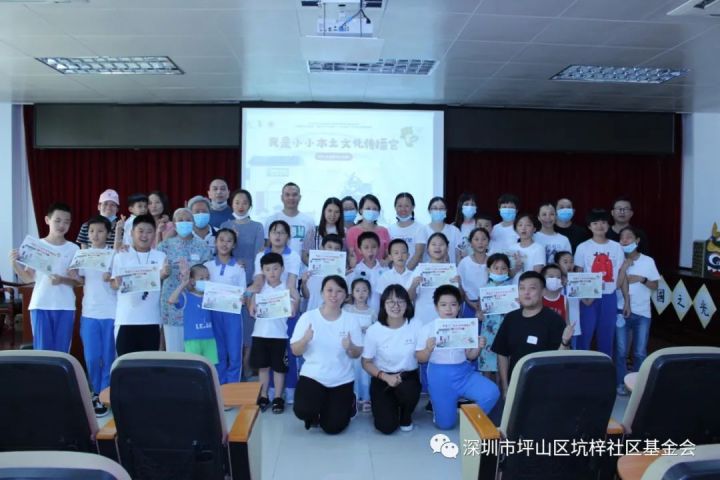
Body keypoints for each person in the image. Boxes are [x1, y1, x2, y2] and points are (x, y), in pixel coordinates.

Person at [416, 285, 500, 429]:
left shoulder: (465, 327)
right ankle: (440, 410)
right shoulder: (427, 329)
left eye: (453, 304)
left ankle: (471, 419)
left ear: (459, 307)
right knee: (445, 425)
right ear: (436, 307)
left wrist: (478, 346)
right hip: (440, 377)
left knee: (491, 393)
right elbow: (420, 358)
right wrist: (428, 349)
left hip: (464, 374)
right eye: (443, 305)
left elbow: (471, 356)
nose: (449, 309)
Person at [291, 275, 363, 434]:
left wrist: (350, 346)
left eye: (339, 291)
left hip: (341, 379)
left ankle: (349, 402)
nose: (334, 295)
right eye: (329, 290)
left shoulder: (351, 320)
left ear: (345, 296)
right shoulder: (308, 317)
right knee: (303, 410)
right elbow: (295, 350)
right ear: (322, 293)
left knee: (333, 427)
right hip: (313, 376)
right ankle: (318, 409)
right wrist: (305, 340)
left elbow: (357, 353)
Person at [491, 271, 575, 400]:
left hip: (546, 389)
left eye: (532, 288)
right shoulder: (511, 318)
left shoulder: (554, 320)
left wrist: (565, 341)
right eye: (522, 288)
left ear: (543, 292)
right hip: (516, 386)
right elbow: (502, 354)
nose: (526, 292)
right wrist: (506, 387)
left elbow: (561, 359)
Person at [10, 202, 80, 352]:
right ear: (47, 220)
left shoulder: (74, 248)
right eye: (57, 220)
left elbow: (77, 282)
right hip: (41, 305)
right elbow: (28, 279)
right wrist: (15, 264)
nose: (62, 225)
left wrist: (62, 280)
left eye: (66, 222)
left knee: (62, 352)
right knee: (42, 352)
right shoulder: (36, 245)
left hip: (65, 305)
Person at [362, 284, 421, 434]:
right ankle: (389, 406)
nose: (396, 306)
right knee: (386, 427)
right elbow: (366, 362)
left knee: (408, 390)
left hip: (407, 377)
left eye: (400, 301)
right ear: (383, 304)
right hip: (382, 377)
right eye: (391, 302)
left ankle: (406, 415)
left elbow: (422, 355)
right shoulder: (374, 330)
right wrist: (385, 377)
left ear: (407, 304)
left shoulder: (416, 325)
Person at [73, 215, 116, 417]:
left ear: (107, 233)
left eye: (100, 231)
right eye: (91, 231)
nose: (95, 235)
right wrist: (72, 275)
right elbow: (79, 280)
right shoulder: (82, 255)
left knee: (108, 356)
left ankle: (104, 394)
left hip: (112, 313)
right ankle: (96, 390)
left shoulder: (115, 254)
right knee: (91, 357)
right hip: (89, 313)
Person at [220, 188, 265, 379]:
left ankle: (246, 367)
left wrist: (255, 282)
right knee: (230, 330)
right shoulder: (225, 225)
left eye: (244, 202)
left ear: (250, 205)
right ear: (232, 204)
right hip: (228, 285)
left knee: (248, 329)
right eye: (237, 202)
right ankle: (231, 369)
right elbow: (221, 251)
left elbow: (259, 255)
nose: (240, 206)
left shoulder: (257, 227)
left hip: (250, 283)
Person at [111, 214, 170, 356]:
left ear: (154, 234)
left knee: (149, 364)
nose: (145, 235)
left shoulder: (160, 256)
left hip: (152, 319)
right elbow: (113, 284)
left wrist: (164, 274)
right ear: (132, 233)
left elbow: (163, 281)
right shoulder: (121, 255)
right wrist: (117, 283)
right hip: (126, 320)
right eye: (140, 231)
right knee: (125, 364)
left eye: (149, 232)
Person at [157, 208, 212, 352]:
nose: (184, 222)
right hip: (171, 306)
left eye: (188, 220)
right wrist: (164, 273)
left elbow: (207, 277)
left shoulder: (202, 246)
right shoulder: (164, 246)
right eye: (180, 220)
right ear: (174, 224)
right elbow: (156, 274)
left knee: (195, 353)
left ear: (193, 223)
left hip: (195, 306)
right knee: (174, 352)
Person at [249, 252, 298, 414]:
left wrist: (293, 304)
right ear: (262, 270)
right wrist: (251, 301)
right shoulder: (259, 290)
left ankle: (278, 397)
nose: (272, 272)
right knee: (263, 367)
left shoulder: (287, 289)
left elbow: (292, 312)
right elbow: (252, 311)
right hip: (260, 334)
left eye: (275, 268)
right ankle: (263, 396)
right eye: (268, 269)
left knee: (279, 368)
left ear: (282, 269)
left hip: (279, 336)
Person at [573, 209, 625, 357]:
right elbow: (578, 273)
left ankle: (605, 365)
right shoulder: (583, 247)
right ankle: (581, 365)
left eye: (603, 222)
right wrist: (583, 298)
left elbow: (621, 272)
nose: (600, 226)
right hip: (588, 297)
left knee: (607, 335)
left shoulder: (616, 247)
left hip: (609, 296)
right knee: (585, 334)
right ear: (589, 226)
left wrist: (619, 291)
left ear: (608, 225)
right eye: (595, 223)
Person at [615, 226, 659, 396]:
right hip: (621, 310)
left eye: (629, 237)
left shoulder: (648, 261)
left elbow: (655, 285)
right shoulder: (617, 259)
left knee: (640, 352)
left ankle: (636, 384)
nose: (625, 240)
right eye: (622, 238)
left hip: (643, 313)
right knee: (621, 351)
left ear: (637, 240)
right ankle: (621, 382)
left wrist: (642, 279)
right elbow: (615, 286)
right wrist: (624, 268)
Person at [205, 228, 246, 384]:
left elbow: (242, 292)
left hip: (232, 314)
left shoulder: (239, 267)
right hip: (212, 314)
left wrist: (242, 298)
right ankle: (220, 386)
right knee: (218, 353)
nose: (224, 244)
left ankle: (233, 387)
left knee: (234, 353)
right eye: (221, 239)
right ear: (215, 242)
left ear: (234, 245)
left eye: (229, 241)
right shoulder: (207, 266)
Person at [168, 263, 218, 364]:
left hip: (210, 339)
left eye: (207, 278)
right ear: (192, 281)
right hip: (192, 340)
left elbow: (228, 303)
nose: (206, 281)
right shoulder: (186, 297)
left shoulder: (211, 297)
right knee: (194, 366)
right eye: (201, 278)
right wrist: (183, 284)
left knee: (211, 367)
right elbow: (171, 300)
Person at [477, 253, 513, 380]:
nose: (499, 271)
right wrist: (479, 314)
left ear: (508, 270)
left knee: (503, 367)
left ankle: (503, 389)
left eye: (503, 268)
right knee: (487, 365)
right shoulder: (484, 289)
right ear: (488, 270)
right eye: (496, 268)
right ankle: (488, 390)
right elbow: (479, 312)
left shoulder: (512, 289)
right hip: (488, 333)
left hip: (505, 331)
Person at [344, 277, 376, 413]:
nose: (361, 293)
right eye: (357, 290)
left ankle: (366, 398)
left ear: (369, 293)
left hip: (366, 347)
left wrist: (368, 330)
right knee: (352, 371)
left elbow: (377, 329)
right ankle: (353, 398)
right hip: (352, 346)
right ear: (352, 292)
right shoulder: (347, 309)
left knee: (365, 373)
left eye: (364, 290)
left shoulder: (372, 311)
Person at [264, 182, 315, 260]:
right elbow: (268, 246)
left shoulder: (309, 221)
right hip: (277, 266)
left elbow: (310, 249)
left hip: (302, 266)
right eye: (287, 195)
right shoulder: (272, 220)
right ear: (282, 197)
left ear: (300, 197)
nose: (291, 198)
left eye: (294, 195)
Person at [346, 231, 386, 313]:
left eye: (374, 247)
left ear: (378, 248)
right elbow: (350, 297)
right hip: (359, 316)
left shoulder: (385, 270)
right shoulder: (354, 271)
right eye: (366, 247)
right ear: (360, 250)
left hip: (381, 315)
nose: (370, 251)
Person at [301, 234, 344, 311]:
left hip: (333, 314)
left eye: (337, 249)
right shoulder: (311, 271)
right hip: (313, 312)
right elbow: (306, 296)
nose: (333, 251)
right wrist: (304, 283)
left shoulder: (342, 274)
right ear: (322, 248)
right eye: (329, 247)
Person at [346, 194, 391, 262]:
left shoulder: (384, 231)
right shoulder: (351, 232)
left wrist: (385, 262)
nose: (371, 211)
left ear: (379, 212)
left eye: (375, 209)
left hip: (379, 268)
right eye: (368, 208)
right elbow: (350, 255)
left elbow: (389, 254)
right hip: (358, 268)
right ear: (361, 210)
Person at [458, 227, 490, 319]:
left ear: (488, 242)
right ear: (471, 243)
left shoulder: (493, 261)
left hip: (489, 306)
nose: (480, 242)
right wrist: (469, 302)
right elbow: (460, 285)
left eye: (483, 239)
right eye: (476, 239)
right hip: (468, 304)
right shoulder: (464, 262)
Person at [388, 192, 426, 270]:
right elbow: (389, 254)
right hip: (395, 273)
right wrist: (397, 272)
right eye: (400, 206)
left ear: (413, 207)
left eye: (407, 206)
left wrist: (405, 272)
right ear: (395, 207)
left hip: (414, 273)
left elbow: (418, 254)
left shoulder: (420, 228)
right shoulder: (390, 229)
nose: (403, 209)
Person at [302, 197, 346, 264]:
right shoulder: (313, 231)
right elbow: (304, 255)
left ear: (340, 214)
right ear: (324, 211)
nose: (333, 215)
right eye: (330, 211)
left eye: (336, 212)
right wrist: (315, 266)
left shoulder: (345, 232)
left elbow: (346, 256)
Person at [554, 251, 582, 348]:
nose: (569, 265)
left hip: (574, 325)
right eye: (565, 262)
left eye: (571, 262)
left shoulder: (578, 281)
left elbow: (587, 302)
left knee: (572, 352)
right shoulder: (553, 283)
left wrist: (595, 289)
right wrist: (561, 285)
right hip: (558, 325)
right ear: (557, 265)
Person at [507, 213, 545, 282]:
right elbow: (508, 275)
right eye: (520, 225)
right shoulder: (512, 248)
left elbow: (537, 274)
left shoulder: (539, 248)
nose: (523, 228)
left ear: (534, 229)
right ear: (516, 229)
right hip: (513, 287)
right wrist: (517, 268)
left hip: (530, 286)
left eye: (528, 225)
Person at [424, 196, 462, 264]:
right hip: (428, 269)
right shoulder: (423, 230)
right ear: (429, 211)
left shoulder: (454, 231)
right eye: (435, 208)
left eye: (441, 208)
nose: (438, 211)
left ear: (446, 211)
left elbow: (458, 256)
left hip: (450, 269)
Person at [453, 193, 479, 259]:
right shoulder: (454, 226)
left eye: (472, 204)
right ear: (461, 206)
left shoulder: (480, 225)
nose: (469, 207)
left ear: (476, 207)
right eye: (466, 204)